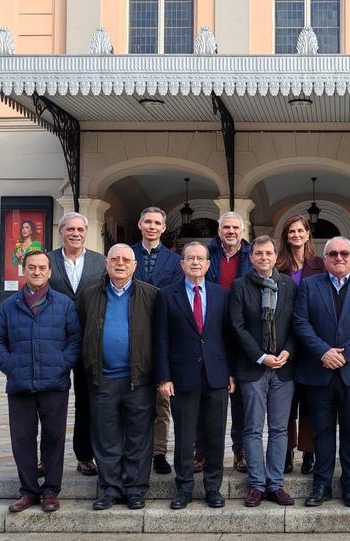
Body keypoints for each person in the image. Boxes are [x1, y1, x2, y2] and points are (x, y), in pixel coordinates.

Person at [0, 250, 80, 513]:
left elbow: (75, 340)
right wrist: (12, 367)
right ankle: (28, 491)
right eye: (32, 267)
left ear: (49, 272)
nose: (36, 272)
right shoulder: (9, 306)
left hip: (54, 384)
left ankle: (50, 491)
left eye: (41, 268)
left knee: (54, 438)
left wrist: (61, 365)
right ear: (24, 270)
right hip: (20, 385)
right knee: (23, 439)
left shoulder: (64, 304)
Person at [292, 237, 350, 508]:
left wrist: (345, 354)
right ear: (325, 258)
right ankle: (321, 484)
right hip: (319, 370)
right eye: (332, 254)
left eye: (344, 253)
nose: (339, 258)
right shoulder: (309, 286)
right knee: (322, 431)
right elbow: (301, 322)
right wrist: (323, 352)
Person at [74, 244, 160, 511]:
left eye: (126, 260)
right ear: (106, 264)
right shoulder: (89, 295)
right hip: (103, 379)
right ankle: (110, 488)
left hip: (139, 379)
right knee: (106, 436)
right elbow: (80, 333)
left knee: (139, 437)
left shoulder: (151, 295)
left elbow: (160, 337)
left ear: (134, 265)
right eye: (115, 259)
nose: (120, 263)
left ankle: (135, 489)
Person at [155, 242, 235, 510]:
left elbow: (229, 336)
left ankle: (213, 488)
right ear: (182, 264)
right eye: (190, 258)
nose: (196, 262)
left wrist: (231, 373)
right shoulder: (167, 295)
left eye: (201, 258)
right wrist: (164, 377)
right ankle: (184, 488)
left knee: (216, 434)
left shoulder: (222, 294)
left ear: (208, 264)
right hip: (182, 376)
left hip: (217, 375)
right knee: (184, 435)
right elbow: (161, 339)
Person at [229, 236, 298, 507]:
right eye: (259, 253)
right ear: (251, 257)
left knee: (280, 428)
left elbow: (298, 323)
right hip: (253, 368)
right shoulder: (240, 286)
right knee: (253, 428)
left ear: (275, 256)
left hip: (283, 368)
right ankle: (257, 484)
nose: (264, 257)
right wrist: (260, 356)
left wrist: (288, 351)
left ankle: (276, 484)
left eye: (268, 253)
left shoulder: (288, 285)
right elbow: (236, 327)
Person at [46, 212, 106, 478]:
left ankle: (85, 456)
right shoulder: (47, 260)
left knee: (87, 402)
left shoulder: (100, 262)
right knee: (50, 405)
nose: (75, 233)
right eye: (70, 229)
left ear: (86, 233)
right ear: (61, 232)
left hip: (89, 342)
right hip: (54, 343)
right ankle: (47, 459)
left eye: (80, 229)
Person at [129, 206, 182, 476]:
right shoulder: (127, 255)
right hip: (132, 334)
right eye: (147, 221)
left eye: (157, 223)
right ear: (140, 224)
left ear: (163, 228)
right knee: (134, 398)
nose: (152, 226)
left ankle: (159, 452)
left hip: (164, 335)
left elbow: (175, 296)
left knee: (162, 398)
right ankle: (135, 450)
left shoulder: (175, 261)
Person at [275, 214, 325, 474]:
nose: (296, 235)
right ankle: (285, 452)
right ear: (286, 236)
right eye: (291, 231)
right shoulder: (278, 265)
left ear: (307, 234)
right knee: (286, 403)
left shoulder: (320, 264)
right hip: (283, 340)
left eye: (299, 230)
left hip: (311, 341)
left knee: (310, 402)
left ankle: (309, 452)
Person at [205, 211, 253, 474]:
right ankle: (201, 451)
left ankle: (240, 451)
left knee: (241, 398)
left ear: (242, 231)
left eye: (235, 227)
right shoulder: (207, 253)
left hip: (242, 330)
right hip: (210, 329)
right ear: (219, 230)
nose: (231, 231)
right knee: (207, 393)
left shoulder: (251, 255)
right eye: (226, 227)